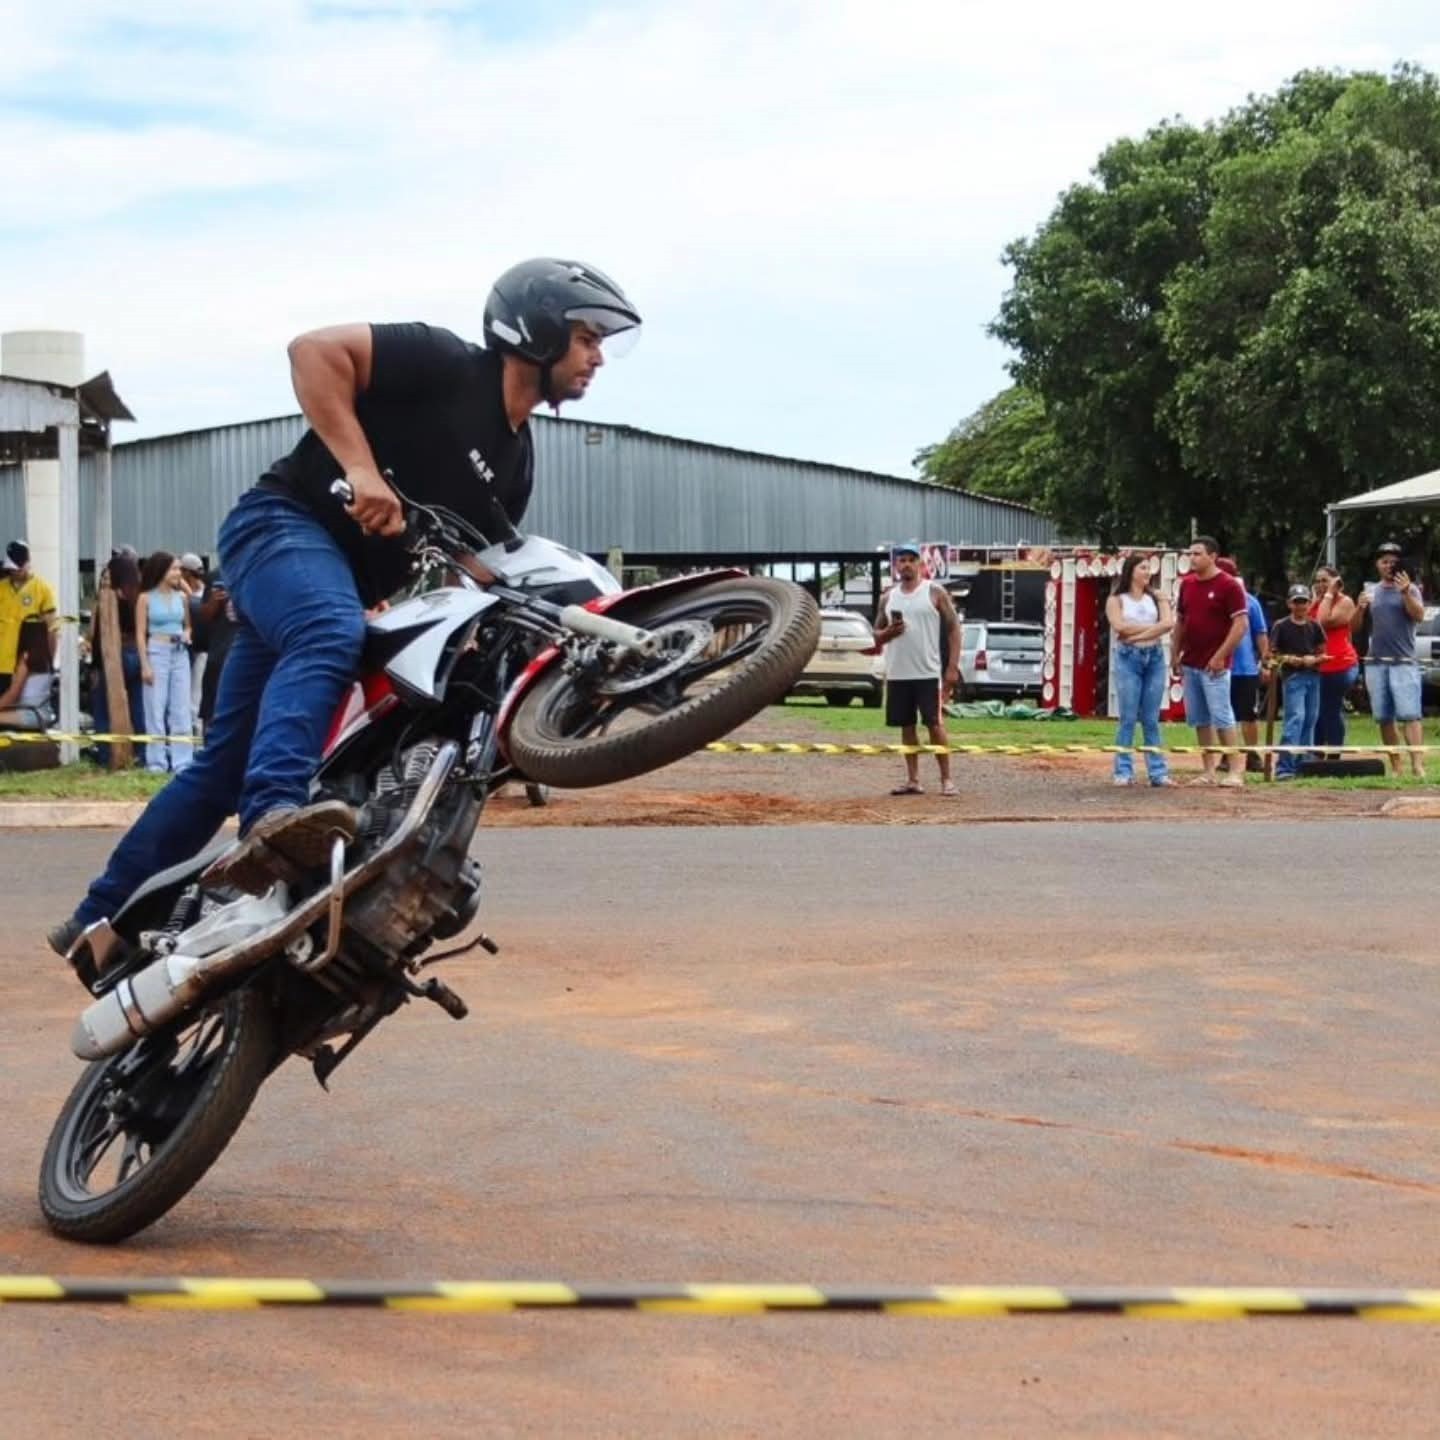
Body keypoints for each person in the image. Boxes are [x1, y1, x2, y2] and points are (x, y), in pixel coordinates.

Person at [50, 258, 642, 966]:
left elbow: (479, 567)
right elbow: (313, 351)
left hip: (333, 588)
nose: (597, 358)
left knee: (221, 768)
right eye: (586, 339)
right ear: (537, 331)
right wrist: (360, 468)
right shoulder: (446, 362)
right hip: (281, 527)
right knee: (329, 633)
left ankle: (95, 921)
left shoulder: (516, 463)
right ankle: (274, 818)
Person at [874, 541, 961, 796]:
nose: (907, 565)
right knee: (906, 726)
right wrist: (887, 633)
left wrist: (952, 668)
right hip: (898, 673)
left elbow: (954, 629)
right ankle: (913, 780)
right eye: (902, 560)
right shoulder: (887, 597)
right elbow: (875, 634)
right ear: (896, 565)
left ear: (920, 564)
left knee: (934, 725)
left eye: (912, 560)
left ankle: (947, 779)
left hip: (927, 673)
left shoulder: (935, 592)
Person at [1171, 536, 1249, 787]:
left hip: (1215, 665)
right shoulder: (1187, 584)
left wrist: (1220, 655)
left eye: (1197, 554)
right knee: (1200, 719)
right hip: (1191, 662)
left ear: (1213, 556)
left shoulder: (1229, 586)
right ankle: (1209, 771)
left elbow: (1241, 625)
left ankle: (1235, 770)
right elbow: (1181, 622)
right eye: (1190, 554)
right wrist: (1175, 653)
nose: (1192, 558)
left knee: (1222, 716)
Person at [1353, 541, 1426, 779]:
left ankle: (1417, 765)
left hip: (1404, 660)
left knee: (1410, 715)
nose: (1388, 566)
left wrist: (1405, 593)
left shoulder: (1410, 588)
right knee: (1384, 717)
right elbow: (1354, 628)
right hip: (1376, 662)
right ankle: (1396, 766)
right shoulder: (1371, 590)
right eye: (1384, 562)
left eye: (1393, 562)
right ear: (1378, 564)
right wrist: (1359, 608)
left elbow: (1419, 616)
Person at [1104, 554, 1174, 787]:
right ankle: (1123, 771)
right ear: (1131, 571)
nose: (1147, 572)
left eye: (1149, 568)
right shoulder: (1116, 600)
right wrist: (1152, 629)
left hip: (1154, 656)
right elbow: (1119, 626)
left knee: (1151, 718)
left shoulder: (1157, 596)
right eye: (1143, 567)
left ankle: (1158, 772)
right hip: (1128, 658)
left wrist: (1138, 634)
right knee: (1128, 716)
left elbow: (1168, 623)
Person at [137, 551, 195, 774]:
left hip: (179, 651)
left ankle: (183, 761)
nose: (178, 573)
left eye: (179, 569)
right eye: (174, 569)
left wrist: (187, 633)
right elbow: (141, 634)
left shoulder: (181, 597)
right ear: (161, 571)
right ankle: (157, 762)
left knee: (181, 707)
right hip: (157, 651)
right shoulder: (145, 598)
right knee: (155, 706)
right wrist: (145, 664)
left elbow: (188, 624)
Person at [89, 549, 147, 765]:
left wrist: (95, 667)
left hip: (115, 656)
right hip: (137, 654)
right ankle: (142, 753)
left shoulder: (108, 599)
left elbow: (99, 638)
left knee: (103, 706)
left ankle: (106, 754)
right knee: (139, 707)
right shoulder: (139, 598)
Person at [1214, 558, 1268, 775]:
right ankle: (1228, 754)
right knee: (1223, 715)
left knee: (1248, 715)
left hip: (1244, 668)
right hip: (1219, 666)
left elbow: (1260, 633)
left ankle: (1252, 754)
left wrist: (1266, 662)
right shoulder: (1213, 600)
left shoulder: (1249, 601)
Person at [1268, 585, 1327, 780]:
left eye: (1304, 602)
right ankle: (1284, 767)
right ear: (1289, 604)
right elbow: (1272, 654)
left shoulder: (1315, 626)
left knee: (1310, 719)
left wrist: (1314, 659)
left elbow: (1322, 652)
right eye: (1297, 602)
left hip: (1313, 676)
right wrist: (1289, 659)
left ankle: (1304, 764)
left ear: (1310, 604)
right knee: (1295, 719)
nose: (1300, 606)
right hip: (1293, 677)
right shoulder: (1281, 626)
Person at [1309, 564, 1358, 753]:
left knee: (1330, 708)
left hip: (1340, 665)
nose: (1320, 585)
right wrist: (1315, 601)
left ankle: (1334, 751)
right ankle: (1317, 751)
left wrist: (1329, 594)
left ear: (1336, 582)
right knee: (1317, 710)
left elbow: (1322, 622)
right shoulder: (1316, 602)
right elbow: (1305, 624)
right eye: (1318, 581)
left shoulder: (1345, 602)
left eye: (1325, 581)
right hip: (1320, 666)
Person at [0, 539, 59, 694]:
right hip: (2, 665)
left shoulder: (42, 589)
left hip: (28, 667)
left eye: (18, 568)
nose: (14, 572)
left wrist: (50, 663)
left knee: (22, 707)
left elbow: (52, 630)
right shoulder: (1, 588)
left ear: (27, 563)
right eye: (11, 568)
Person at [0, 616, 55, 728]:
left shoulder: (27, 658)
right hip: (44, 713)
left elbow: (13, 694)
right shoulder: (47, 659)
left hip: (30, 714)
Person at [179, 552, 210, 727]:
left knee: (196, 692)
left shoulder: (205, 593)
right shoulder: (180, 594)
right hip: (185, 649)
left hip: (202, 649)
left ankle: (196, 729)